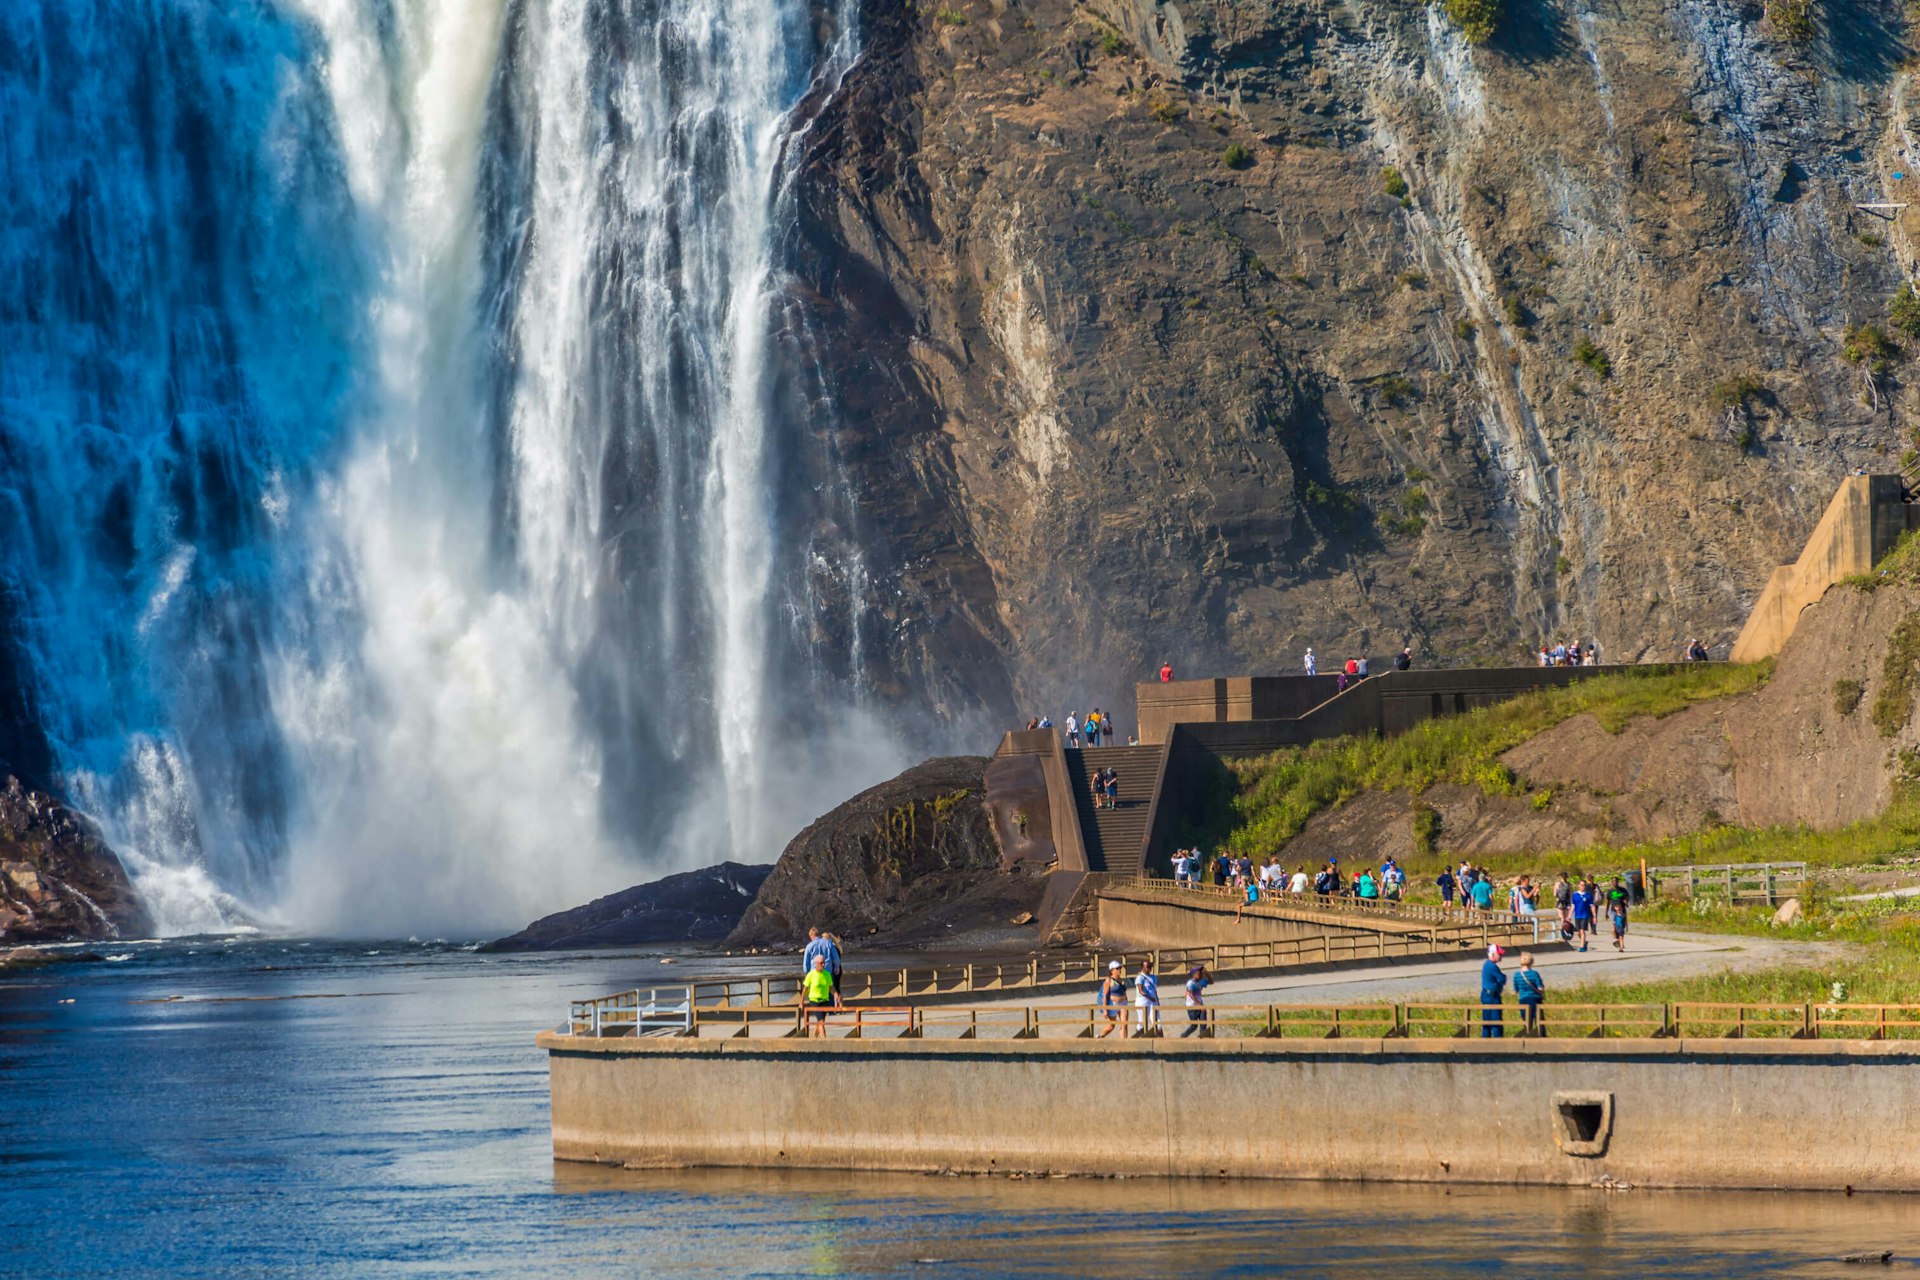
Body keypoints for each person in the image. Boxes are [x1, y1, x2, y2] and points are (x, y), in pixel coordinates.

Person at [803, 953, 840, 1036]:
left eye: (824, 963)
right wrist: (801, 1002)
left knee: (820, 1021)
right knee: (821, 1022)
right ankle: (824, 1041)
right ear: (816, 964)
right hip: (814, 1000)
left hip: (825, 1000)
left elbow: (831, 987)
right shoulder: (811, 975)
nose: (823, 965)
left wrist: (835, 994)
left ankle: (814, 1038)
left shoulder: (827, 974)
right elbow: (805, 989)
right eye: (821, 963)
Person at [802, 926, 843, 996]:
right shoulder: (828, 943)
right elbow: (835, 957)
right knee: (831, 993)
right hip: (828, 972)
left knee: (815, 994)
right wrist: (836, 967)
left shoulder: (809, 946)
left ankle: (817, 1005)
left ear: (811, 936)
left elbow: (806, 962)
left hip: (814, 973)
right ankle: (831, 1005)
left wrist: (807, 973)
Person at [1513, 952, 1545, 1035]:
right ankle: (1542, 1037)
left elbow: (1516, 990)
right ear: (1531, 962)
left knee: (1527, 1021)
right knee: (1539, 1020)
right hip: (1535, 999)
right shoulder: (1534, 974)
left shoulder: (1517, 975)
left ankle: (1527, 1037)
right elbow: (1540, 987)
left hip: (1523, 999)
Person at [1479, 945, 1507, 1038]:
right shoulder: (1492, 966)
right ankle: (1498, 1042)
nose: (1500, 956)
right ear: (1493, 954)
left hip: (1485, 994)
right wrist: (1502, 981)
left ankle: (1485, 1042)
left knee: (1486, 1021)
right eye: (1499, 954)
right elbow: (1502, 979)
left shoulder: (1486, 964)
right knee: (1496, 1021)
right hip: (1492, 996)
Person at [1098, 959, 1127, 1038]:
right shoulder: (1108, 981)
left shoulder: (1121, 980)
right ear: (1111, 970)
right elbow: (1105, 996)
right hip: (1113, 1004)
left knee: (1124, 1024)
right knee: (1111, 1025)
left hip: (1123, 1004)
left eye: (1120, 968)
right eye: (1117, 968)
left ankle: (1124, 1044)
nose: (1119, 970)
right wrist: (1105, 1010)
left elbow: (1124, 992)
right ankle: (1100, 1037)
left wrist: (1126, 1000)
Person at [1181, 964, 1211, 1037]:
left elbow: (1211, 981)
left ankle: (1202, 1037)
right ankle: (1183, 1036)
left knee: (1203, 1023)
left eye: (1201, 973)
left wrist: (1207, 973)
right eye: (1198, 973)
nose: (1200, 975)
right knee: (1194, 1026)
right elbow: (1191, 995)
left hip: (1200, 1005)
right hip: (1192, 1007)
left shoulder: (1201, 981)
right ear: (1193, 974)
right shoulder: (1190, 983)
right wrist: (1200, 1005)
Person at [1133, 959, 1160, 1035]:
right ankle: (1138, 1037)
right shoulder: (1140, 977)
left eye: (1150, 966)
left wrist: (1157, 1001)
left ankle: (1161, 1040)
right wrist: (1151, 998)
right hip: (1143, 1001)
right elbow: (1141, 991)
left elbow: (1154, 990)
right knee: (1142, 1022)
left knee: (1157, 1021)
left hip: (1153, 1001)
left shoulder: (1153, 977)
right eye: (1148, 966)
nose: (1150, 968)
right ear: (1142, 968)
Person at [1569, 880, 1594, 952]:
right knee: (1578, 932)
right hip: (1577, 916)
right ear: (1579, 885)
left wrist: (1594, 916)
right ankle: (1584, 942)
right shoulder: (1575, 895)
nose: (1583, 887)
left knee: (1582, 931)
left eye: (1584, 885)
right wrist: (1569, 916)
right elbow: (1573, 906)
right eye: (1582, 885)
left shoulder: (1588, 895)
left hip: (1585, 915)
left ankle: (1582, 946)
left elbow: (1592, 906)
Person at [1608, 877, 1630, 951]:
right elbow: (1608, 902)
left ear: (1618, 882)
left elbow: (1627, 898)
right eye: (1613, 881)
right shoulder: (1610, 891)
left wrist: (1626, 902)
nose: (1615, 882)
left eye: (1616, 881)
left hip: (1622, 910)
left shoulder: (1623, 890)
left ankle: (1621, 943)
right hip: (1613, 911)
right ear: (1612, 882)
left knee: (1621, 928)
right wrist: (1606, 912)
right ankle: (1615, 939)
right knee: (1614, 926)